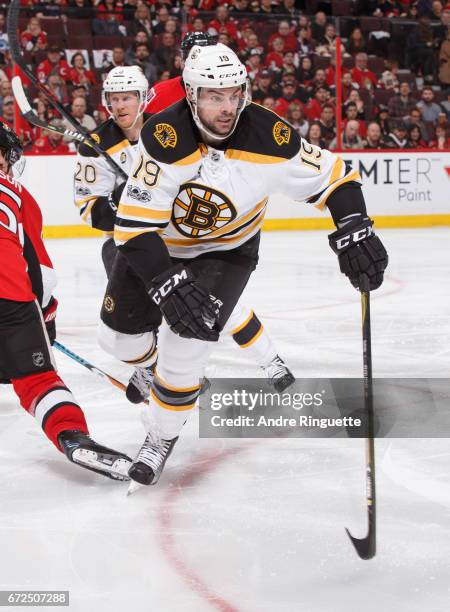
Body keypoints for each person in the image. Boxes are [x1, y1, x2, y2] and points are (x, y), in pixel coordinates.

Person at [109, 42, 388, 487]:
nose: (226, 107)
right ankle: (161, 373)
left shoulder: (269, 137)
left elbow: (336, 176)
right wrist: (165, 280)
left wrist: (354, 226)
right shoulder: (164, 138)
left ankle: (161, 434)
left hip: (228, 252)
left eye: (233, 94)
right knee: (121, 344)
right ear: (190, 94)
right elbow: (133, 227)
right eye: (213, 96)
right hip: (162, 245)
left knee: (186, 346)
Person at [74, 45, 294, 404]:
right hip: (136, 242)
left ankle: (270, 361)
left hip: (189, 234)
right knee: (144, 313)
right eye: (114, 98)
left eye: (128, 97)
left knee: (218, 303)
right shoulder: (95, 146)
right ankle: (156, 365)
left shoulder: (175, 126)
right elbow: (88, 207)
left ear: (144, 98)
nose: (120, 105)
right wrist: (121, 203)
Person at [0, 121, 132, 481]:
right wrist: (45, 314)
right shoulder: (19, 195)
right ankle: (72, 436)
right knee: (37, 380)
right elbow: (39, 271)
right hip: (9, 295)